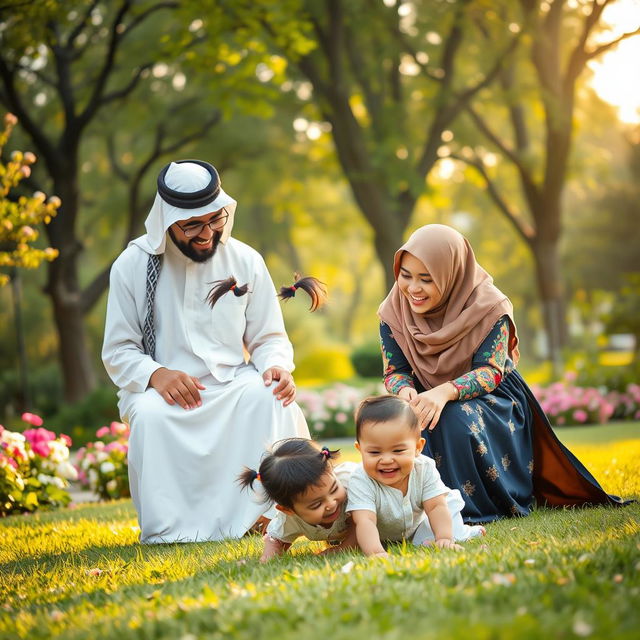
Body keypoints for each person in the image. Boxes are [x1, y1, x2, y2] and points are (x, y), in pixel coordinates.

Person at [102, 159, 313, 543]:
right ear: (168, 221)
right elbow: (118, 350)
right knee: (149, 417)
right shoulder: (132, 266)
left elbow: (268, 337)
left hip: (232, 384)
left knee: (270, 399)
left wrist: (277, 366)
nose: (207, 233)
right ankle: (174, 530)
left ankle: (267, 517)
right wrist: (156, 374)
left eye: (215, 220)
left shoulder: (245, 259)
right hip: (164, 393)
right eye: (193, 225)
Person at [377, 223, 626, 523]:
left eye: (426, 279)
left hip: (492, 401)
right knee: (403, 421)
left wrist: (443, 393)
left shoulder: (490, 307)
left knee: (454, 418)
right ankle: (406, 510)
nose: (412, 289)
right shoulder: (394, 309)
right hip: (427, 394)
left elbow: (490, 371)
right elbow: (395, 370)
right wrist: (407, 393)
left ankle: (466, 510)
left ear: (452, 275)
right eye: (405, 276)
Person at [347, 395, 485, 557]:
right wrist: (376, 552)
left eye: (398, 450)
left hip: (418, 525)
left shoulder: (424, 468)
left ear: (418, 447)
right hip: (383, 535)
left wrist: (444, 538)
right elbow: (365, 521)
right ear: (360, 450)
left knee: (447, 511)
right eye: (374, 452)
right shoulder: (360, 479)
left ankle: (464, 532)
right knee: (424, 538)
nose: (386, 460)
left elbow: (435, 507)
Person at [238, 438, 359, 562]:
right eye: (316, 504)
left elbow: (361, 524)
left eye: (334, 489)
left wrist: (344, 547)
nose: (331, 503)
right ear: (288, 510)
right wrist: (268, 558)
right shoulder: (289, 520)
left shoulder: (353, 484)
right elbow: (275, 539)